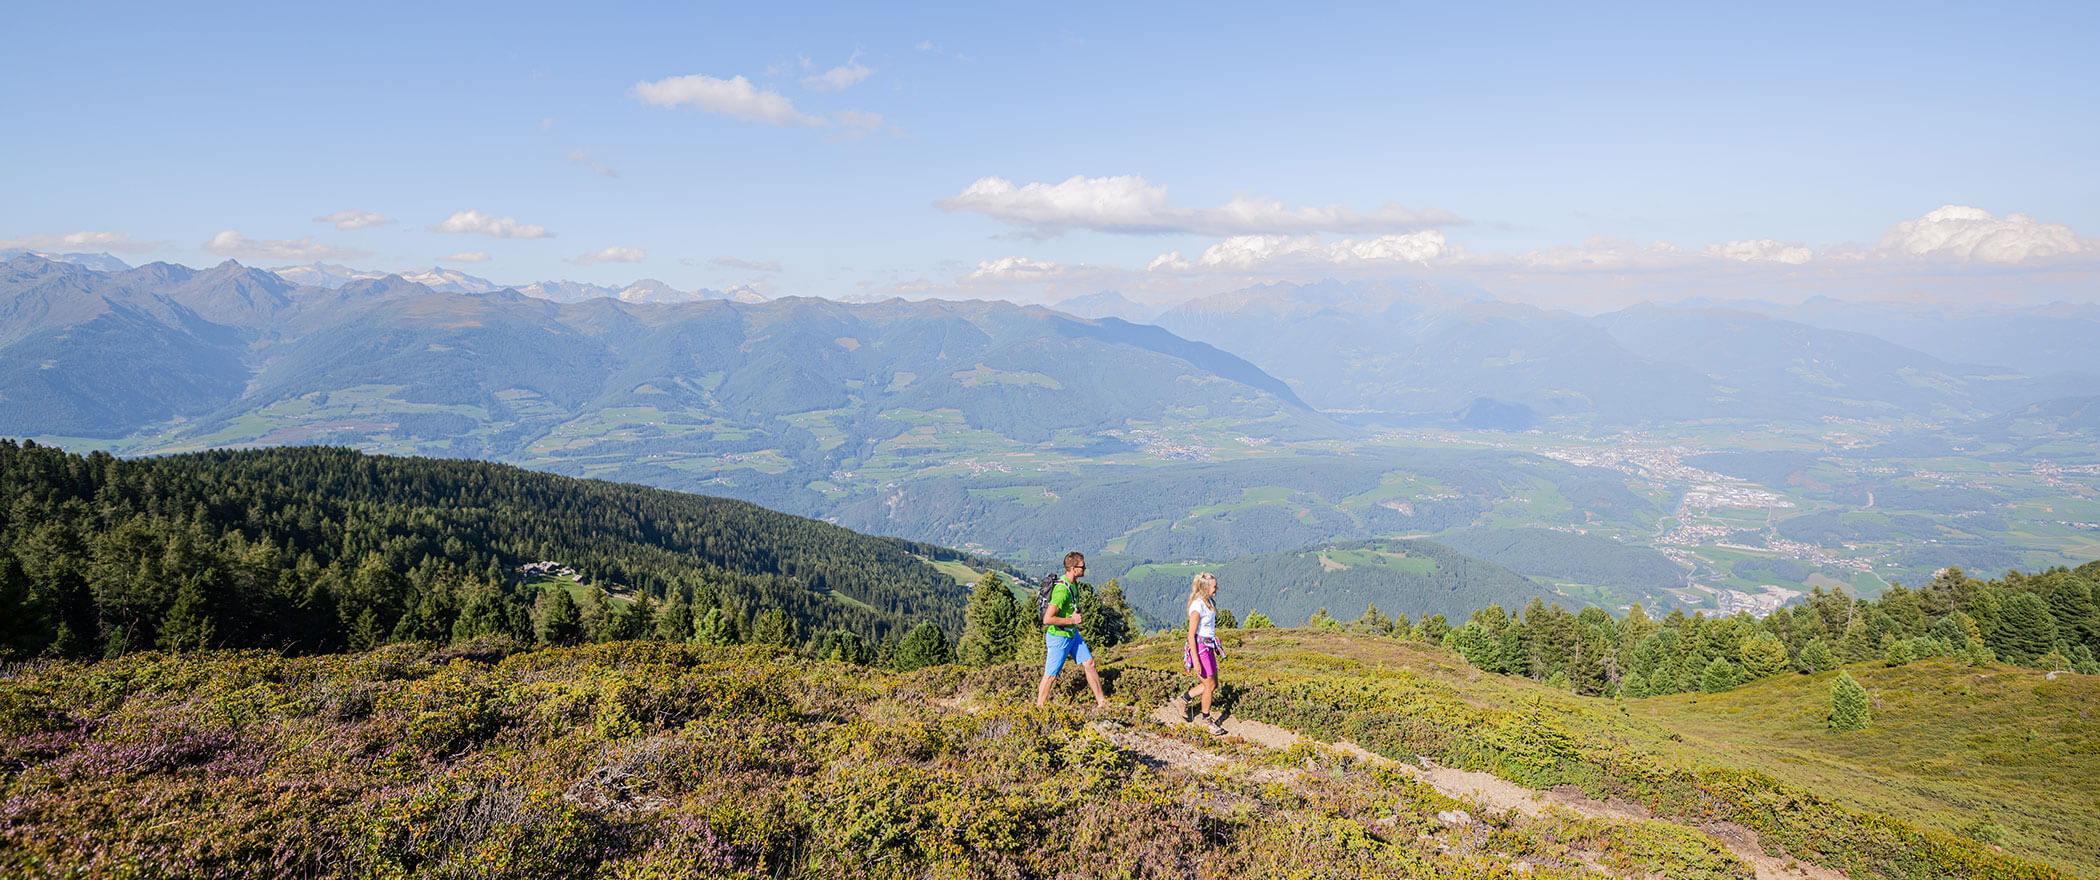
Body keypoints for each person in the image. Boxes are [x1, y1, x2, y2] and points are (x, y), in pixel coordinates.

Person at [1037, 551, 1110, 709]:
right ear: (1073, 568)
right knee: (1050, 676)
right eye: (1082, 566)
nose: (1085, 568)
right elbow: (1047, 619)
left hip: (1071, 634)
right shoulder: (1061, 591)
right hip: (1059, 638)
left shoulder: (1073, 583)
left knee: (1090, 663)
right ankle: (1038, 709)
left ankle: (1102, 703)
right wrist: (1072, 620)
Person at [1176, 572, 1227, 735]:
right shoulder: (1197, 607)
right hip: (1201, 649)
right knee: (1209, 685)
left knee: (1213, 684)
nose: (1216, 588)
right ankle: (1206, 720)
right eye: (1214, 586)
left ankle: (1183, 699)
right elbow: (1191, 635)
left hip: (1208, 646)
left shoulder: (1209, 602)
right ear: (1205, 588)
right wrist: (1196, 661)